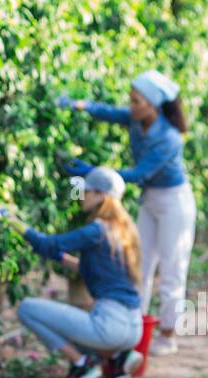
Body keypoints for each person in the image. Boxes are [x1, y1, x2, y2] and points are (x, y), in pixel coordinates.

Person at [57, 70, 194, 357]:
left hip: (174, 202)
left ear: (151, 105)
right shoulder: (136, 118)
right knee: (138, 263)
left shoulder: (168, 138)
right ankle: (135, 330)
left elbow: (138, 173)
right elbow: (108, 113)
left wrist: (93, 173)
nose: (129, 106)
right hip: (150, 199)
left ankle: (168, 334)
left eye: (135, 101)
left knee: (171, 268)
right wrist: (78, 105)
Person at [4, 166, 144, 378]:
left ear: (101, 195)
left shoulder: (96, 230)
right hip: (134, 328)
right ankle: (118, 358)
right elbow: (97, 269)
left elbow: (46, 244)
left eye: (86, 191)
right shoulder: (123, 231)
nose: (81, 196)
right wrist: (61, 257)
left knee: (27, 309)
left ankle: (82, 363)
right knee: (78, 324)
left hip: (109, 325)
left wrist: (11, 220)